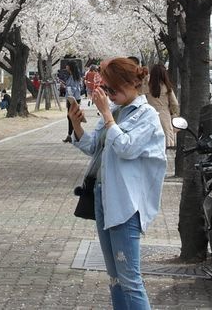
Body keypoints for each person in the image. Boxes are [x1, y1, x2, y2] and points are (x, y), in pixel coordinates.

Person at [68, 57, 166, 310]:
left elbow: (127, 148)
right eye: (106, 90)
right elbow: (94, 147)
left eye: (113, 89)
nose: (109, 95)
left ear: (133, 82)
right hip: (104, 198)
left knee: (130, 280)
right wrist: (77, 124)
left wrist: (106, 116)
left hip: (126, 204)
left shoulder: (147, 116)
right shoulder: (115, 112)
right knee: (115, 279)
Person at [144, 64, 181, 148]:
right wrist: (173, 113)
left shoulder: (149, 87)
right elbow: (174, 104)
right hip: (164, 115)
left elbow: (139, 92)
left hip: (150, 114)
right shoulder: (167, 88)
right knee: (167, 136)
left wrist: (146, 79)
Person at [60, 62, 84, 142]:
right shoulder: (72, 76)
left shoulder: (74, 76)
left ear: (70, 67)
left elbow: (73, 88)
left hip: (73, 99)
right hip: (72, 98)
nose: (66, 66)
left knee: (72, 117)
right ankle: (71, 135)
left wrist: (66, 87)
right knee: (70, 117)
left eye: (67, 65)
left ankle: (74, 135)